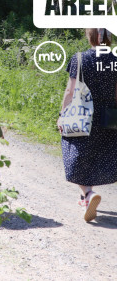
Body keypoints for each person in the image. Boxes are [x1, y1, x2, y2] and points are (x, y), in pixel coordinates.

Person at [57, 28, 117, 223]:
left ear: (90, 36)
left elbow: (70, 90)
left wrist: (62, 114)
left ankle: (88, 194)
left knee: (76, 153)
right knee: (102, 153)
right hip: (109, 115)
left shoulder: (80, 58)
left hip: (83, 113)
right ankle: (85, 198)